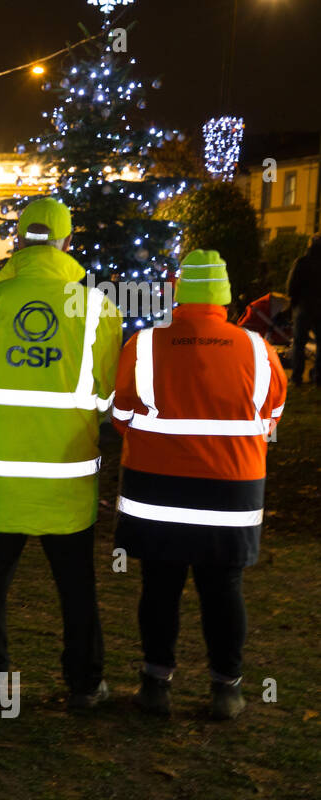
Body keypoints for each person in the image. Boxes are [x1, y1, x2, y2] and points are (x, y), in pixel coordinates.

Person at [0, 197, 122, 710]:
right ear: (68, 242)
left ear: (19, 241)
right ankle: (84, 683)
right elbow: (107, 396)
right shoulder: (96, 306)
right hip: (64, 478)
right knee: (76, 587)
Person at [113, 250, 286, 720]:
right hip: (231, 493)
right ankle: (226, 688)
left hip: (157, 491)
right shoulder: (257, 348)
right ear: (225, 298)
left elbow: (123, 414)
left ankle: (155, 683)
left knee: (159, 584)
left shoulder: (145, 345)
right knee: (224, 587)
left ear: (179, 293)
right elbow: (270, 420)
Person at [286, 233, 321, 386]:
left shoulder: (302, 262)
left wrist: (293, 303)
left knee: (299, 343)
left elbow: (291, 286)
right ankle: (318, 376)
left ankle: (296, 376)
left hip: (303, 307)